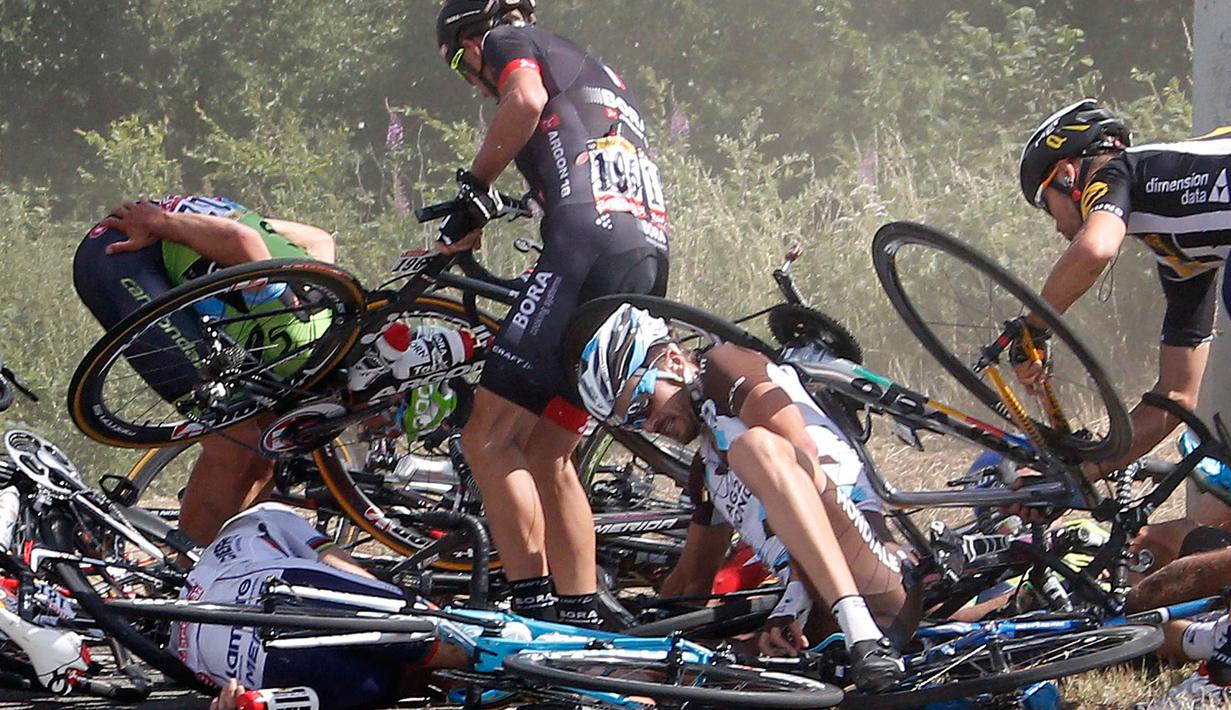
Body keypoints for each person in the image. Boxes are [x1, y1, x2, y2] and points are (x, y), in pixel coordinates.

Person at [424, 0, 670, 628]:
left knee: (487, 436)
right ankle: (579, 616)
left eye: (460, 59)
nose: (472, 76)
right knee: (547, 449)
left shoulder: (510, 38)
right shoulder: (596, 72)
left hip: (584, 251)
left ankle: (530, 608)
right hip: (642, 258)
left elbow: (524, 103)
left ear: (477, 35)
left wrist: (474, 185)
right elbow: (572, 155)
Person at [574, 304, 914, 692]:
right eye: (634, 422)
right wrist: (617, 631)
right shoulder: (708, 468)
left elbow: (800, 452)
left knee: (753, 448)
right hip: (814, 620)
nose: (650, 425)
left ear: (672, 360)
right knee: (643, 672)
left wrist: (797, 593)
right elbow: (689, 583)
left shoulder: (724, 366)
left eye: (642, 405)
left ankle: (861, 632)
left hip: (868, 585)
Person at [1016, 99, 1231, 565]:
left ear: (1067, 174)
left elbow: (1094, 250)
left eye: (1044, 202)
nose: (1053, 224)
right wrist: (1086, 470)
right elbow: (1176, 397)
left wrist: (1033, 325)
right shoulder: (1183, 252)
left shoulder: (1116, 171)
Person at [73, 195, 335, 545]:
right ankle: (187, 579)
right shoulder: (304, 327)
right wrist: (163, 224)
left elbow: (321, 239)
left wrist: (248, 227)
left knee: (267, 448)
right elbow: (244, 242)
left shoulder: (334, 292)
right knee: (236, 442)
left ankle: (227, 559)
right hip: (125, 254)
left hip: (184, 238)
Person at [175, 503, 471, 710]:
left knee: (425, 644)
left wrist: (403, 601)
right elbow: (346, 571)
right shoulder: (269, 516)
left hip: (244, 648)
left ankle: (458, 664)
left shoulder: (265, 520)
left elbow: (347, 573)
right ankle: (461, 668)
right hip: (237, 652)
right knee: (433, 645)